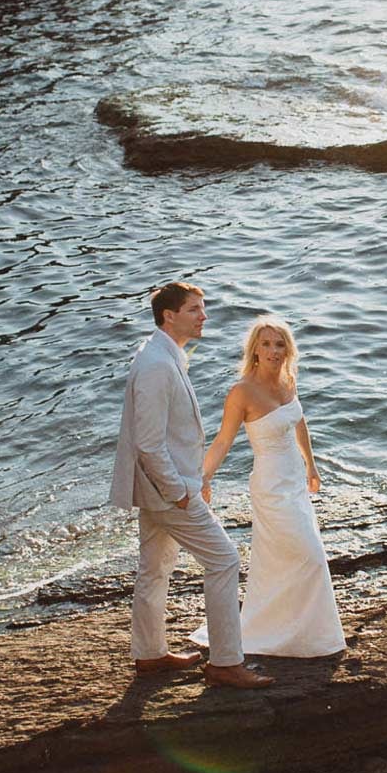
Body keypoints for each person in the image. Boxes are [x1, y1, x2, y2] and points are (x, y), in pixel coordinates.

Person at [110, 281, 272, 690]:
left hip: (166, 487)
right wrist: (180, 490)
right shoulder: (156, 365)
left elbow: (168, 436)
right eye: (195, 309)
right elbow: (148, 443)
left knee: (155, 568)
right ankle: (225, 662)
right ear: (169, 315)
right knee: (224, 560)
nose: (204, 316)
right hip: (167, 491)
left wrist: (195, 480)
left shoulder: (163, 354)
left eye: (203, 308)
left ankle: (149, 654)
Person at [198, 315, 345, 658]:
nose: (273, 351)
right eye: (265, 344)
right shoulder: (242, 392)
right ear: (254, 350)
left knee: (285, 559)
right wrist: (203, 477)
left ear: (288, 349)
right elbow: (222, 441)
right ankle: (286, 635)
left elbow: (299, 422)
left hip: (295, 480)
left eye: (279, 344)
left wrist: (312, 464)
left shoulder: (288, 380)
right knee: (310, 556)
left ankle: (303, 635)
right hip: (270, 486)